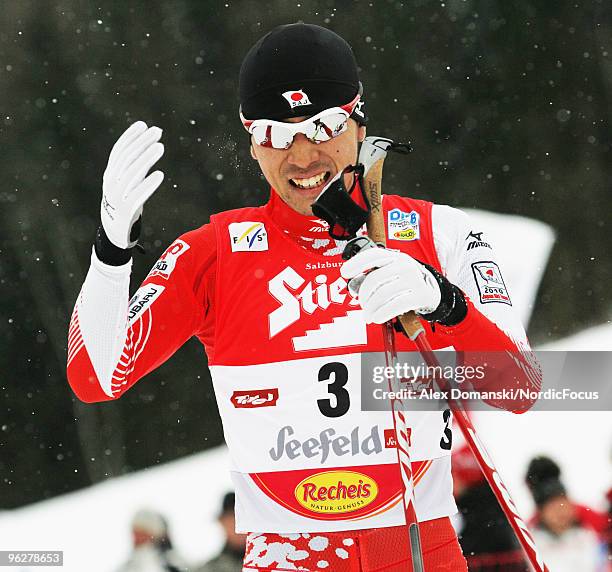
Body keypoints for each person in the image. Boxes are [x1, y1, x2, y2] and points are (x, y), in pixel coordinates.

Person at [67, 23, 542, 571]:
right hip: (287, 556)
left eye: (321, 127)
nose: (301, 156)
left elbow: (522, 386)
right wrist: (111, 251)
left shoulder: (439, 233)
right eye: (273, 133)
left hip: (417, 550)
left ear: (358, 122)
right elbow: (96, 378)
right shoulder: (213, 254)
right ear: (251, 142)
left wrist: (445, 304)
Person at [525, 456, 608, 572]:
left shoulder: (591, 529)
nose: (560, 512)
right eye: (552, 508)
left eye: (563, 505)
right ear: (541, 512)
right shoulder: (530, 537)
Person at [116, 508, 187, 572]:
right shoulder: (129, 565)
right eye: (134, 533)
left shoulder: (173, 563)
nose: (135, 538)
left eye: (141, 533)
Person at [194, 493, 246, 572]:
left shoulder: (266, 564)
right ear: (222, 522)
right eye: (232, 521)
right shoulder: (210, 568)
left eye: (242, 521)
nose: (238, 529)